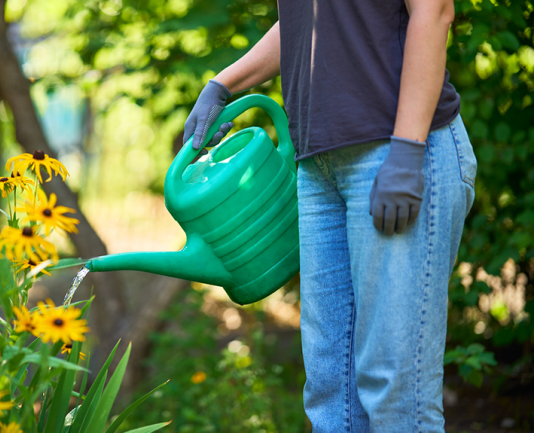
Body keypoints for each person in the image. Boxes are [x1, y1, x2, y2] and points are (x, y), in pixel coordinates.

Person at [183, 0, 477, 431]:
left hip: (395, 151)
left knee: (397, 394)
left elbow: (434, 11)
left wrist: (408, 149)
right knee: (331, 394)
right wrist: (224, 84)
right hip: (320, 165)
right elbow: (309, 22)